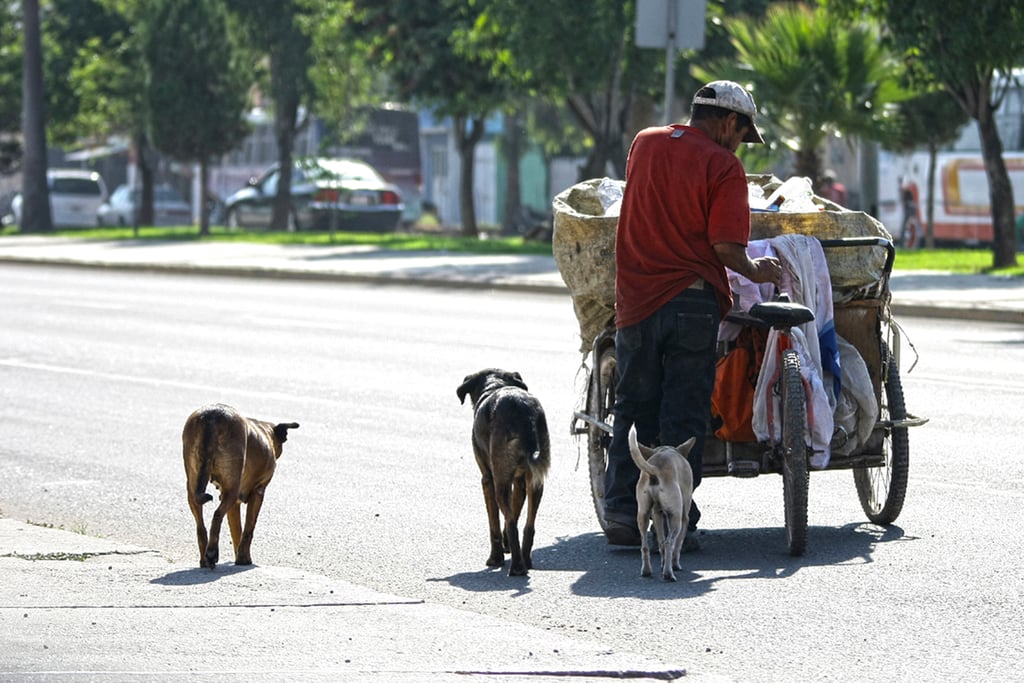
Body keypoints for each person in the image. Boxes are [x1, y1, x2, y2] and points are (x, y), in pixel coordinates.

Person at [603, 80, 784, 549]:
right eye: (742, 135)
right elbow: (726, 247)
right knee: (683, 413)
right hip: (692, 303)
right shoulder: (723, 165)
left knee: (634, 406)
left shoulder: (644, 143)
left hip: (637, 300)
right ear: (729, 123)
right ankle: (677, 517)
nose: (739, 145)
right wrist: (756, 269)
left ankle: (622, 513)